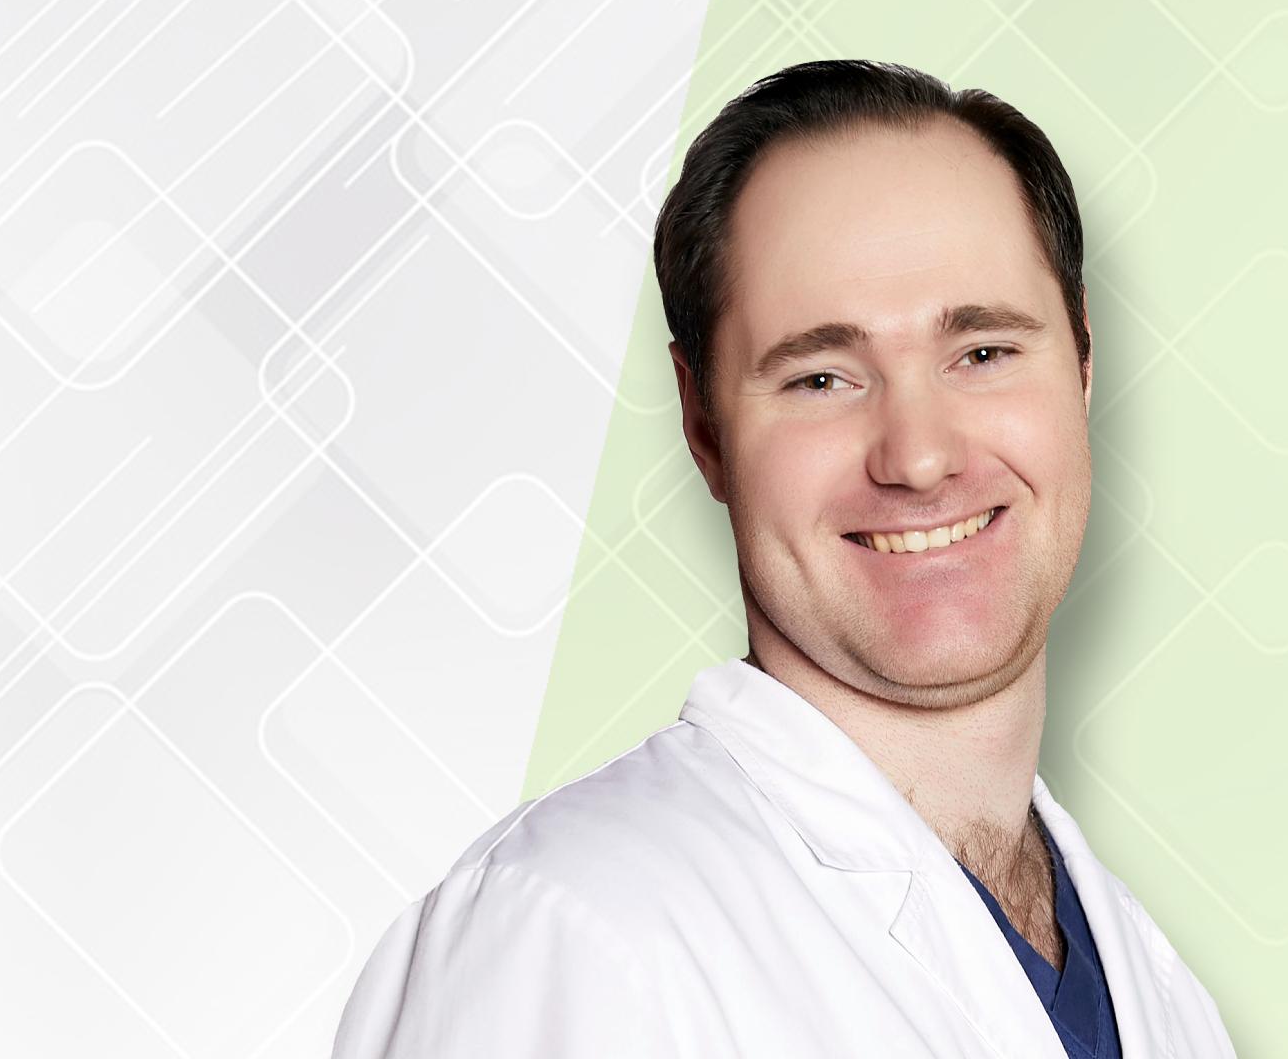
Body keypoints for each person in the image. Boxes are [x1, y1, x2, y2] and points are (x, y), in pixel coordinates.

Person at [331, 59, 1238, 1058]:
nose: (919, 457)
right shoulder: (571, 937)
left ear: (1082, 367)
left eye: (983, 354)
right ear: (703, 424)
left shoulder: (1158, 995)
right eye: (821, 378)